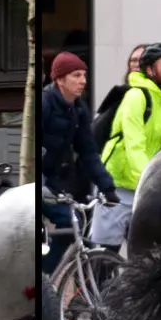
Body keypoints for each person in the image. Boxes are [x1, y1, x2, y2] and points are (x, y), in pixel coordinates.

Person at [92, 42, 161, 249]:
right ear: (150, 70)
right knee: (104, 251)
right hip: (118, 183)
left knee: (146, 251)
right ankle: (89, 280)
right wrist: (150, 181)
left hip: (148, 185)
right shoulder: (135, 96)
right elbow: (133, 145)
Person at [40, 51, 118, 275]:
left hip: (53, 181)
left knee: (71, 222)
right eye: (76, 75)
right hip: (37, 180)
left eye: (84, 75)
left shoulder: (79, 109)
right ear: (60, 79)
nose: (83, 80)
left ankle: (46, 277)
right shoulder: (45, 103)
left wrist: (108, 187)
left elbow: (88, 152)